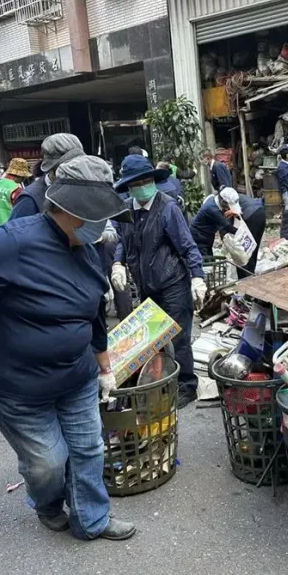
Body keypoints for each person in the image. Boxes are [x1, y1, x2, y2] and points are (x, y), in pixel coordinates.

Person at [0, 155, 135, 541]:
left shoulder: (86, 251)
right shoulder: (8, 245)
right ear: (71, 212)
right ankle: (47, 502)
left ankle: (92, 520)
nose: (103, 225)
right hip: (13, 384)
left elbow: (93, 314)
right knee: (48, 462)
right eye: (95, 215)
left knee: (88, 449)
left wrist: (104, 366)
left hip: (74, 374)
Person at [112, 157, 205, 409]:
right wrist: (117, 263)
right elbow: (122, 240)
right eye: (137, 183)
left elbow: (187, 245)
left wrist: (197, 276)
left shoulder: (167, 207)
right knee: (152, 339)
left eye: (147, 180)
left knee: (179, 338)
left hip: (172, 282)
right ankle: (162, 381)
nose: (143, 186)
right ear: (129, 186)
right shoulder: (125, 211)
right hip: (145, 285)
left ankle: (187, 386)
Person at [191, 187, 266, 279]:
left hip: (207, 236)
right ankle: (204, 284)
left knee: (245, 252)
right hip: (199, 237)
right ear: (223, 202)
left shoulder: (218, 204)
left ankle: (245, 278)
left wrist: (242, 234)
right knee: (206, 262)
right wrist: (241, 233)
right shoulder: (212, 209)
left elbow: (227, 226)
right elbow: (227, 227)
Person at [9, 133, 85, 220]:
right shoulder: (30, 199)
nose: (73, 173)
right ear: (51, 168)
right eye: (67, 168)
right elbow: (15, 230)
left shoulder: (81, 188)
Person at [0, 157, 29, 228]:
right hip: (7, 229)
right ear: (19, 175)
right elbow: (22, 213)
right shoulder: (16, 189)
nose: (24, 179)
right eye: (24, 176)